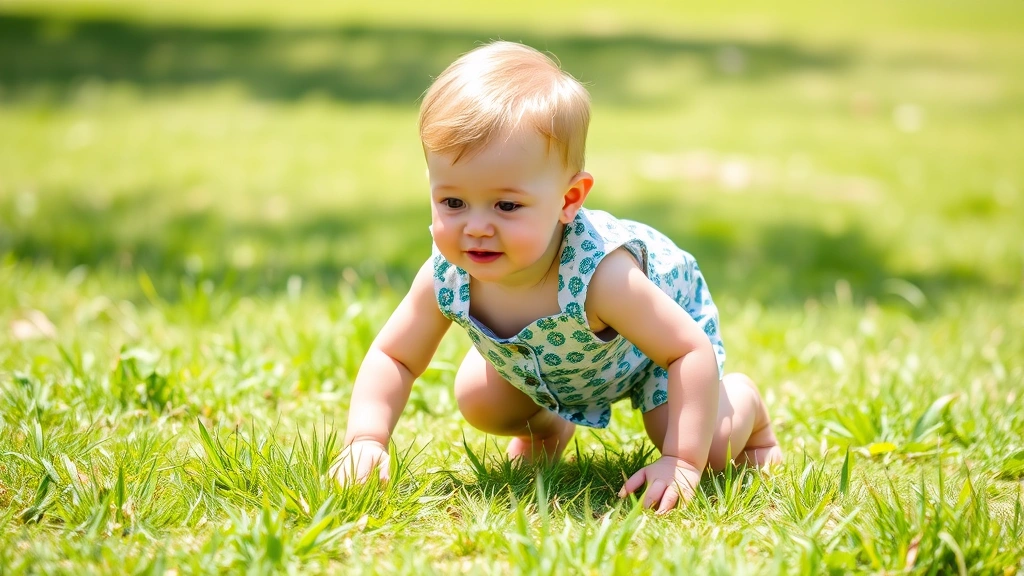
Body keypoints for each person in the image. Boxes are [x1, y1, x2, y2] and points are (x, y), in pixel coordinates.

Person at [331, 40, 782, 512]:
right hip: (553, 364)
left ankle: (744, 405)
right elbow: (394, 357)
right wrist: (366, 438)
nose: (476, 226)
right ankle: (549, 425)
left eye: (506, 205)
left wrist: (681, 460)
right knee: (479, 398)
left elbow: (688, 349)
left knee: (703, 445)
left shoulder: (601, 276)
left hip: (654, 354)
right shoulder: (448, 274)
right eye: (453, 202)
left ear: (568, 200)